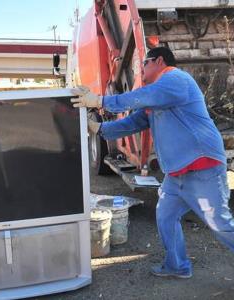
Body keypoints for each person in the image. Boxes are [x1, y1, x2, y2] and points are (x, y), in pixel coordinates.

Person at [71, 46, 231, 279]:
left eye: (143, 64)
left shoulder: (176, 79)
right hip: (177, 174)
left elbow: (142, 97)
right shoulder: (157, 97)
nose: (140, 69)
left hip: (202, 167)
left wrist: (100, 100)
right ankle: (177, 266)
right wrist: (100, 128)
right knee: (165, 217)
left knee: (221, 225)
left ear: (158, 61)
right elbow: (134, 122)